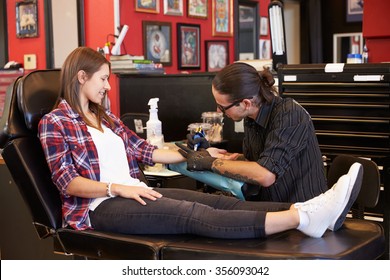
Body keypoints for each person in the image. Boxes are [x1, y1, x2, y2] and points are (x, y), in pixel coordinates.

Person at [38, 47, 362, 240]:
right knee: (190, 212)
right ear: (81, 77)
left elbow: (146, 151)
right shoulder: (55, 123)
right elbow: (69, 183)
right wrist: (119, 188)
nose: (108, 87)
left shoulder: (107, 120)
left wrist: (199, 156)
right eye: (103, 79)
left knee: (220, 203)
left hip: (132, 191)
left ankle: (312, 210)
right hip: (98, 207)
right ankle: (302, 218)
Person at [186, 62, 327, 202]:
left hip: (302, 212)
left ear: (246, 103)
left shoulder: (289, 115)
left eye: (222, 107)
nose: (219, 111)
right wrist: (208, 151)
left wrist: (211, 163)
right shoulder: (251, 117)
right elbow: (253, 162)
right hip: (271, 205)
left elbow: (265, 175)